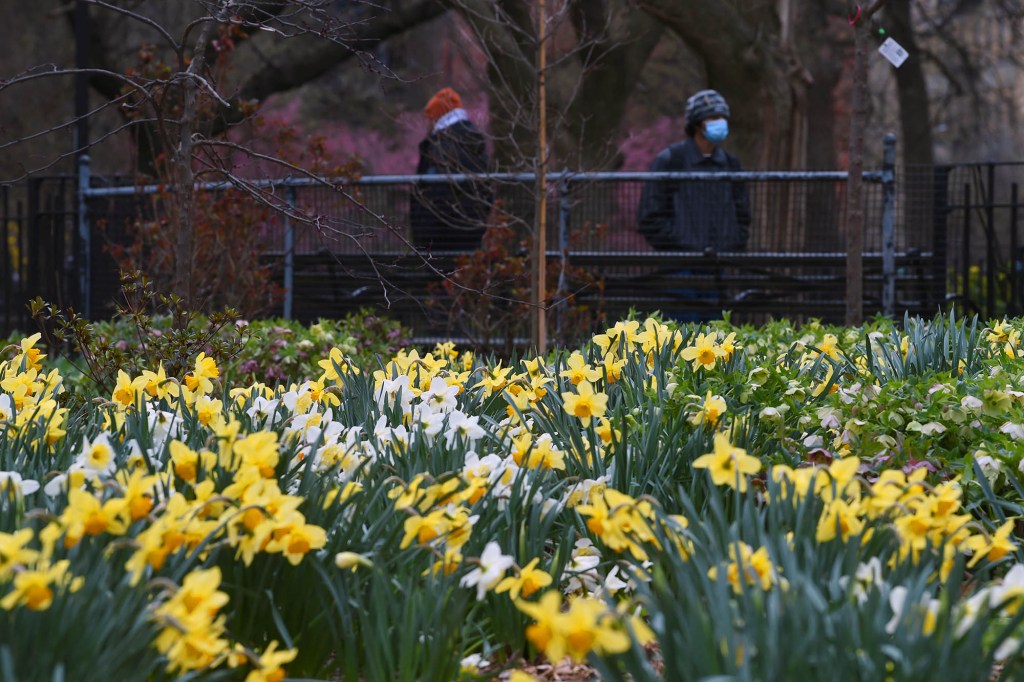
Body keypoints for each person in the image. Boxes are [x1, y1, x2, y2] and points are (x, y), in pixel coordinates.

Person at [637, 89, 751, 252]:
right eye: (713, 117)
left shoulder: (731, 164)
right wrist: (679, 245)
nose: (720, 122)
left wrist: (732, 242)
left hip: (722, 264)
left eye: (723, 117)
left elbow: (743, 215)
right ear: (696, 124)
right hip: (680, 266)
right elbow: (650, 216)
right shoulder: (670, 161)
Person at [410, 87, 493, 250]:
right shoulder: (471, 142)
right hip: (470, 231)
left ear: (437, 118)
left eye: (429, 117)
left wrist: (425, 230)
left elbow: (435, 192)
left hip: (441, 238)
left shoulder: (442, 147)